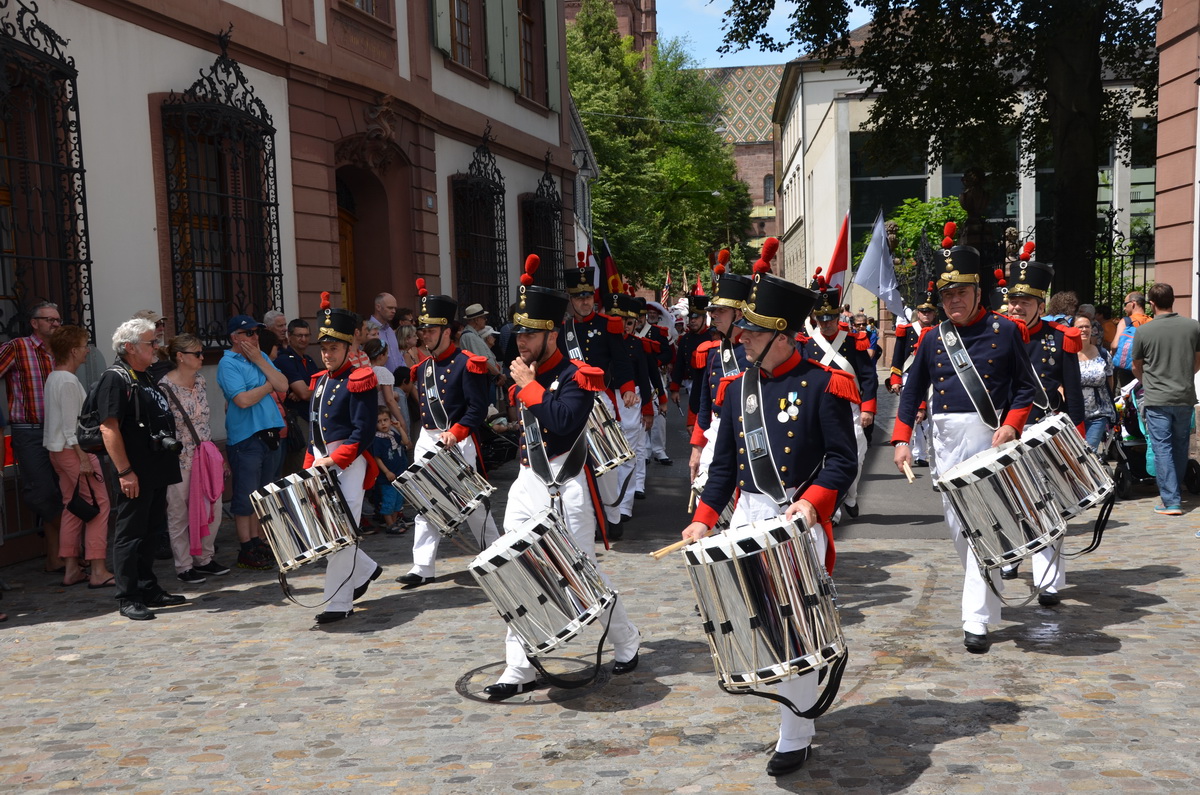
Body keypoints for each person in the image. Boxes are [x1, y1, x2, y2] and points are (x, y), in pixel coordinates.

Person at [681, 264, 859, 777]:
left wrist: (814, 503)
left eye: (753, 332)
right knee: (760, 618)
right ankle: (795, 706)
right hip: (750, 513)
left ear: (781, 336)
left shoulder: (824, 384)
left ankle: (795, 734)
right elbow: (723, 468)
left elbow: (842, 460)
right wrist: (704, 518)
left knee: (793, 624)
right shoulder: (737, 389)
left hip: (798, 516)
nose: (741, 338)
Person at [483, 258, 640, 701]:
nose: (521, 341)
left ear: (552, 334)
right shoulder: (523, 372)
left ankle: (626, 638)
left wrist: (529, 387)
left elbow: (566, 421)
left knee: (581, 573)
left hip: (566, 485)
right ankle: (518, 667)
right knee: (515, 569)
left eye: (530, 334)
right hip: (527, 482)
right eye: (519, 333)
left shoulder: (578, 376)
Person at [892, 228, 1039, 653]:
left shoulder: (1006, 330)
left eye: (961, 292)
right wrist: (901, 439)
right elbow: (911, 393)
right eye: (947, 294)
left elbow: (1025, 387)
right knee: (959, 528)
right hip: (946, 442)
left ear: (978, 292)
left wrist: (1012, 425)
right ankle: (988, 600)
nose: (953, 300)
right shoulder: (933, 338)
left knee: (982, 525)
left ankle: (974, 617)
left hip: (991, 438)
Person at [395, 281, 498, 586]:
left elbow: (477, 409)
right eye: (422, 330)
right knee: (425, 501)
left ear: (446, 331)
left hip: (457, 440)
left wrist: (457, 432)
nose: (423, 335)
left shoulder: (468, 364)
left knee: (472, 504)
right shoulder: (424, 367)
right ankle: (422, 567)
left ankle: (494, 555)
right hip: (428, 439)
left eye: (430, 330)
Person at [1001, 253, 1085, 600]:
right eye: (1013, 300)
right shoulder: (997, 334)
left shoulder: (1060, 338)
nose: (1017, 307)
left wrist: (1077, 442)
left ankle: (1049, 581)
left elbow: (1074, 393)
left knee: (1047, 506)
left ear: (1040, 304)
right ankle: (1012, 553)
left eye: (1025, 301)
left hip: (1044, 433)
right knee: (1011, 501)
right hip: (1005, 433)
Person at [96, 317, 186, 621]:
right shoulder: (115, 378)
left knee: (150, 532)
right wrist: (124, 472)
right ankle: (128, 597)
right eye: (151, 342)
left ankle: (148, 588)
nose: (157, 347)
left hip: (155, 468)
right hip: (135, 471)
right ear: (130, 347)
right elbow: (108, 428)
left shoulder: (144, 375)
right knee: (130, 534)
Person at [303, 294, 384, 623]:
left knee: (340, 532)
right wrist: (309, 466)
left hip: (348, 464)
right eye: (323, 348)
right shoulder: (320, 381)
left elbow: (362, 433)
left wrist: (335, 460)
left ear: (348, 347)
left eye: (333, 348)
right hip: (321, 461)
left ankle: (338, 603)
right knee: (327, 529)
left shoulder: (360, 379)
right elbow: (314, 430)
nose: (327, 354)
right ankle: (365, 569)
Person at [560, 255, 636, 537]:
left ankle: (613, 517)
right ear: (571, 300)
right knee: (573, 462)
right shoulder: (563, 332)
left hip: (599, 400)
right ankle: (584, 519)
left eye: (588, 296)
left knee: (608, 463)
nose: (585, 302)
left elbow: (621, 360)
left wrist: (627, 388)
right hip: (570, 402)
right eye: (579, 297)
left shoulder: (607, 325)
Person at [800, 272, 877, 522]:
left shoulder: (853, 342)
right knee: (823, 461)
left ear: (838, 316)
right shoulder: (807, 344)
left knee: (855, 458)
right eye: (821, 319)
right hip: (818, 410)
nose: (826, 324)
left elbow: (868, 377)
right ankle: (832, 508)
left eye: (830, 318)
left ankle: (851, 496)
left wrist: (868, 408)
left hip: (850, 409)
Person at [44, 325, 114, 588]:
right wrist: (83, 457)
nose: (88, 351)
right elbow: (69, 426)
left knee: (72, 506)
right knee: (99, 505)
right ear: (73, 350)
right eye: (85, 346)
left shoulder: (54, 377)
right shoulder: (67, 381)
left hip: (58, 452)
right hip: (73, 452)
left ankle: (72, 568)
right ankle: (98, 570)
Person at [217, 314, 288, 570]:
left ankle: (258, 540)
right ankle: (246, 546)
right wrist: (268, 386)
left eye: (256, 332)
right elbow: (242, 400)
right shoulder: (228, 363)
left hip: (269, 433)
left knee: (262, 494)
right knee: (245, 496)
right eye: (249, 333)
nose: (255, 337)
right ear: (235, 337)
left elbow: (283, 384)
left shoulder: (261, 357)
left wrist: (259, 360)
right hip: (246, 437)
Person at [159, 334, 230, 584]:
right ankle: (184, 565)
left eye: (202, 353)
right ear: (180, 356)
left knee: (213, 509)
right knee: (179, 514)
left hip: (205, 456)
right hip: (179, 460)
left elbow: (204, 423)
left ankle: (205, 558)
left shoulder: (200, 381)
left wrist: (217, 456)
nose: (202, 357)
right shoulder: (164, 387)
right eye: (197, 353)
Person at [0, 300, 64, 572]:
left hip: (60, 431)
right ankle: (70, 547)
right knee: (42, 493)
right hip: (30, 431)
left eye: (58, 320)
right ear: (34, 323)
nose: (55, 324)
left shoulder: (60, 350)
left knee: (60, 493)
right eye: (50, 319)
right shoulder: (17, 347)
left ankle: (56, 557)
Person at [1131, 282, 1200, 517]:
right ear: (1173, 300)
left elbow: (1136, 366)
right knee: (1180, 446)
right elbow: (1197, 360)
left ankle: (1171, 500)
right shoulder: (1192, 326)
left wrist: (1147, 382)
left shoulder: (1144, 330)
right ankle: (1175, 494)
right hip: (1184, 395)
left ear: (1151, 304)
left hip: (1157, 397)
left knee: (1162, 447)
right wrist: (1184, 375)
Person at [688, 248, 753, 484]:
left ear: (738, 314)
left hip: (750, 433)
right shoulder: (714, 353)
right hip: (717, 434)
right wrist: (697, 447)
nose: (713, 315)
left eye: (720, 311)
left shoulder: (757, 351)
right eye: (712, 310)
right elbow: (705, 404)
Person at [604, 292, 655, 533]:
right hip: (604, 396)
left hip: (629, 399)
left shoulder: (636, 344)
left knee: (628, 453)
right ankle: (607, 505)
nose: (622, 324)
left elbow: (643, 377)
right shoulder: (600, 339)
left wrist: (648, 409)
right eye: (615, 318)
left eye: (626, 320)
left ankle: (625, 504)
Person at [888, 285, 939, 466]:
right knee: (911, 414)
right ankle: (912, 450)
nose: (926, 314)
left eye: (929, 311)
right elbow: (897, 358)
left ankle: (924, 453)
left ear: (934, 314)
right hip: (909, 377)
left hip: (932, 378)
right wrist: (895, 380)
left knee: (929, 417)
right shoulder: (907, 330)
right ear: (918, 312)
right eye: (923, 311)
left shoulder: (938, 331)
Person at [275, 319, 320, 476]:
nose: (303, 339)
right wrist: (306, 391)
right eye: (299, 335)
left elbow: (317, 387)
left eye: (307, 335)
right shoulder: (284, 359)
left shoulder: (309, 359)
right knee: (299, 469)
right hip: (297, 420)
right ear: (289, 336)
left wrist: (306, 391)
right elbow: (305, 393)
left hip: (311, 418)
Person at [638, 299, 674, 466]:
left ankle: (659, 450)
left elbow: (668, 353)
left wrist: (654, 363)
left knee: (659, 415)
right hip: (636, 379)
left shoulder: (658, 332)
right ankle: (644, 450)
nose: (639, 319)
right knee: (639, 414)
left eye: (641, 316)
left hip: (654, 378)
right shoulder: (627, 333)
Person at [1075, 314, 1116, 454]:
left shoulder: (1103, 354)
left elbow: (1109, 380)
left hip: (1098, 413)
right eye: (1080, 327)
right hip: (1074, 414)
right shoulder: (1067, 355)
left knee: (1089, 453)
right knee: (1075, 454)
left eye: (1087, 326)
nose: (1084, 330)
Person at [669, 293, 710, 430]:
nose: (692, 321)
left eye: (696, 318)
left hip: (708, 383)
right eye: (690, 318)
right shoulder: (685, 339)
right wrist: (675, 388)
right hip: (691, 383)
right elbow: (679, 364)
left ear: (704, 318)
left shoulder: (712, 337)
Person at [371, 407, 409, 535]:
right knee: (389, 500)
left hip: (399, 473)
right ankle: (389, 524)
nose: (383, 424)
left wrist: (399, 428)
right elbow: (377, 458)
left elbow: (406, 442)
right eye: (379, 421)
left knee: (398, 501)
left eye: (385, 420)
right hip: (387, 477)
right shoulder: (377, 439)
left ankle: (394, 521)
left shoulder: (393, 435)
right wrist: (387, 472)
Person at [1111, 291, 1151, 388]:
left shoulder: (1126, 321)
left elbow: (1115, 345)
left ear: (1133, 304)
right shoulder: (1152, 322)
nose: (1124, 308)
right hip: (1145, 368)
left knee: (1125, 395)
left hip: (1126, 369)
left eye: (1125, 304)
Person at [459, 303, 502, 378]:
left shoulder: (473, 335)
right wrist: (498, 375)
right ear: (477, 320)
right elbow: (483, 361)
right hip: (485, 378)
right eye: (484, 318)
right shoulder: (470, 336)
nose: (486, 320)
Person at [370, 292, 404, 372]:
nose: (394, 311)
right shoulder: (368, 330)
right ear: (378, 307)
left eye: (395, 308)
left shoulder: (390, 330)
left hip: (397, 378)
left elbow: (398, 356)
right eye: (390, 308)